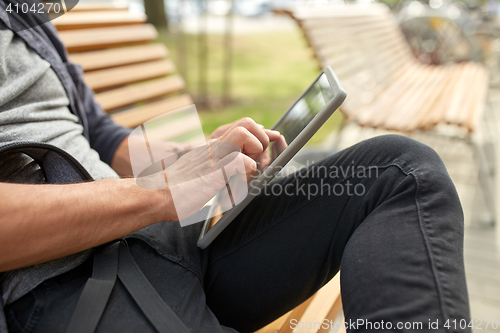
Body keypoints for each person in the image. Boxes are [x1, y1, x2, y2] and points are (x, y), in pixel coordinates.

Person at [0, 2, 471, 332]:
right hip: (71, 280)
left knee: (400, 171)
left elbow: (102, 136)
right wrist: (163, 193)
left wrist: (201, 155)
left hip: (156, 236)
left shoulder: (28, 21)